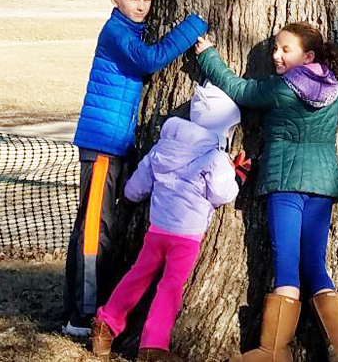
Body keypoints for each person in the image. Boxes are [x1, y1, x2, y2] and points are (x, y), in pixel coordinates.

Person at [194, 22, 338, 361]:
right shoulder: (334, 90)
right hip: (322, 186)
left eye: (285, 49)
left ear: (308, 55)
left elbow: (238, 90)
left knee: (286, 261)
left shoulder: (279, 89)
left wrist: (208, 55)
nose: (276, 55)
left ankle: (274, 350)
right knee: (314, 263)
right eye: (275, 47)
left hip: (284, 184)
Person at [63, 0, 209, 336]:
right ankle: (82, 315)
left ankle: (87, 304)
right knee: (95, 229)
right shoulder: (116, 32)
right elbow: (148, 60)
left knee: (104, 226)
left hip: (115, 145)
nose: (142, 5)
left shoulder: (131, 31)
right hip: (101, 146)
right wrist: (192, 26)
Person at [90, 82, 249, 362]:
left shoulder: (164, 147)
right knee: (170, 287)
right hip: (187, 237)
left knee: (137, 276)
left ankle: (106, 324)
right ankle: (153, 346)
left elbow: (137, 186)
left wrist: (129, 196)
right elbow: (221, 194)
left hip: (157, 230)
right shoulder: (215, 157)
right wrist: (236, 175)